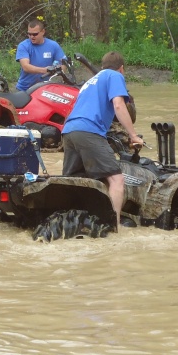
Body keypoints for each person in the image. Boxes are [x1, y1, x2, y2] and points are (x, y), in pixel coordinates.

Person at [60, 51, 143, 229]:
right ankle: (115, 227)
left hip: (69, 131)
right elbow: (119, 105)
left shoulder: (90, 82)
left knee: (75, 180)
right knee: (116, 180)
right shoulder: (115, 76)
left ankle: (72, 222)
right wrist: (133, 135)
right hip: (89, 131)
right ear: (121, 68)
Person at [15, 18, 67, 91]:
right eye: (29, 34)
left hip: (46, 88)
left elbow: (63, 64)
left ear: (43, 32)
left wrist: (57, 75)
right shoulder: (23, 46)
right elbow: (26, 67)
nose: (31, 37)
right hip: (25, 89)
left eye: (35, 34)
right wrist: (46, 70)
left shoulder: (53, 45)